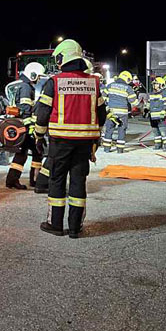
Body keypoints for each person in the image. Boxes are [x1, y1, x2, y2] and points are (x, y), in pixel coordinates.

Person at [34, 40, 106, 238]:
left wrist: (38, 136)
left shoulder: (54, 82)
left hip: (60, 142)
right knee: (78, 182)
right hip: (84, 143)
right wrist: (95, 137)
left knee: (57, 181)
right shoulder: (93, 82)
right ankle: (75, 228)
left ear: (62, 57)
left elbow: (42, 114)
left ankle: (55, 224)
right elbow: (102, 113)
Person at [6, 62, 46, 189]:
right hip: (26, 127)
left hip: (24, 127)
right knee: (35, 152)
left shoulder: (25, 86)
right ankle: (32, 180)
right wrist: (30, 129)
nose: (38, 79)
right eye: (38, 76)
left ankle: (13, 180)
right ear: (33, 75)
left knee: (23, 154)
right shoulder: (26, 88)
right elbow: (25, 109)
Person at [101, 70, 137, 153]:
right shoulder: (128, 88)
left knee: (109, 129)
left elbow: (103, 97)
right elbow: (134, 102)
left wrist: (108, 104)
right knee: (122, 130)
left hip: (111, 112)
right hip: (122, 113)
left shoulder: (110, 85)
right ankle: (120, 150)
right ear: (127, 79)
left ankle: (106, 148)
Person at [148, 77, 166, 150]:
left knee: (164, 132)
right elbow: (149, 103)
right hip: (153, 117)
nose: (154, 86)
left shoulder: (165, 93)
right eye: (154, 84)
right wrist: (146, 109)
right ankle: (158, 145)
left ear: (161, 85)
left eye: (156, 84)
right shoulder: (151, 93)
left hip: (161, 117)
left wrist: (164, 110)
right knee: (156, 132)